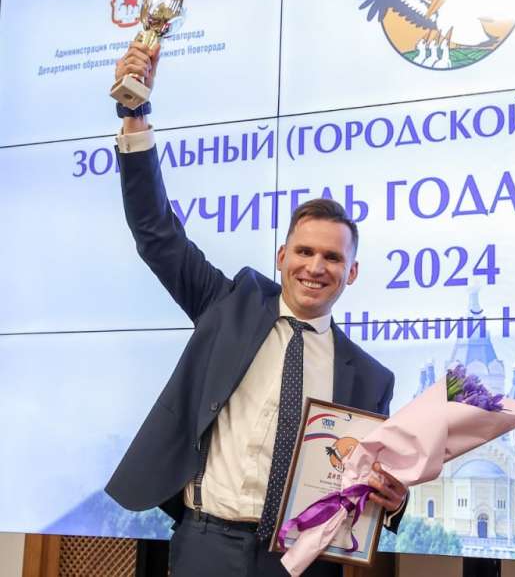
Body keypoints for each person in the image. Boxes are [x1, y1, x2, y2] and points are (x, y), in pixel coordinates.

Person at [105, 42, 407, 576]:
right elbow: (156, 232)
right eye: (304, 252)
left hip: (299, 559)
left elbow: (372, 479)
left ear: (352, 272)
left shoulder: (370, 378)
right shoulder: (228, 304)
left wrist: (396, 499)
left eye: (333, 257)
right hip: (206, 544)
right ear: (281, 257)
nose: (316, 267)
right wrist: (135, 112)